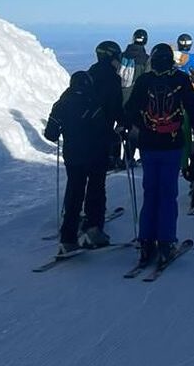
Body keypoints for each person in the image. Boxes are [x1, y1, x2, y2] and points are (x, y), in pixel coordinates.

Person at [123, 43, 194, 267]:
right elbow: (193, 109)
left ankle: (146, 242)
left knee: (150, 193)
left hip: (148, 143)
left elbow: (130, 109)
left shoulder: (144, 81)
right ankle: (166, 243)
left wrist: (130, 126)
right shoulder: (180, 80)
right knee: (168, 194)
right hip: (172, 143)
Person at [43, 71, 108, 254]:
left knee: (74, 193)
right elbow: (103, 131)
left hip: (73, 156)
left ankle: (68, 238)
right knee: (96, 191)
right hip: (95, 156)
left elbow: (51, 134)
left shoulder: (61, 104)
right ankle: (93, 229)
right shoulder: (93, 102)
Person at [76, 40, 124, 244]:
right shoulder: (112, 79)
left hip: (79, 135)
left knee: (78, 181)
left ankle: (73, 217)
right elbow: (115, 106)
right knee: (97, 181)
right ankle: (94, 225)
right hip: (100, 134)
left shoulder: (89, 74)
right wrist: (123, 124)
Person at [118, 28, 150, 169]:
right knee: (135, 130)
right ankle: (129, 158)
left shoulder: (121, 56)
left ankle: (113, 157)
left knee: (118, 128)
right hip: (136, 101)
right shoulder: (146, 60)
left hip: (119, 99)